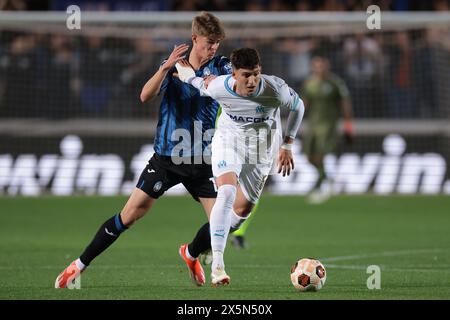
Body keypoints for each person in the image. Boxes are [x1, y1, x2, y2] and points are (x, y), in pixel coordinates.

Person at [55, 11, 232, 288]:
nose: (213, 49)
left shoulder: (222, 66)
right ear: (194, 38)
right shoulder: (175, 67)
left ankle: (191, 253)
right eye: (209, 42)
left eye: (217, 43)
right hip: (167, 158)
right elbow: (145, 95)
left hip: (204, 161)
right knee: (129, 216)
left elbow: (238, 90)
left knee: (226, 222)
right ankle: (78, 266)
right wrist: (164, 68)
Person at [176, 47, 305, 286]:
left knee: (236, 219)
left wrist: (287, 144)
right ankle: (218, 265)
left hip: (261, 154)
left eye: (255, 73)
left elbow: (299, 107)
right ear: (234, 74)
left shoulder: (275, 89)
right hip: (229, 144)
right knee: (226, 192)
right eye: (246, 75)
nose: (252, 80)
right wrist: (185, 74)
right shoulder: (219, 87)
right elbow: (198, 82)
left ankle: (191, 252)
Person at [301, 56, 354, 204]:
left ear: (327, 66)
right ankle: (326, 178)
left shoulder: (335, 83)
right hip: (312, 125)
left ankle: (319, 186)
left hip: (328, 126)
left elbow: (345, 102)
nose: (319, 69)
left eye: (321, 65)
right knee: (309, 157)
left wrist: (348, 124)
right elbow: (304, 103)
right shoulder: (309, 83)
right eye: (316, 66)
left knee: (319, 155)